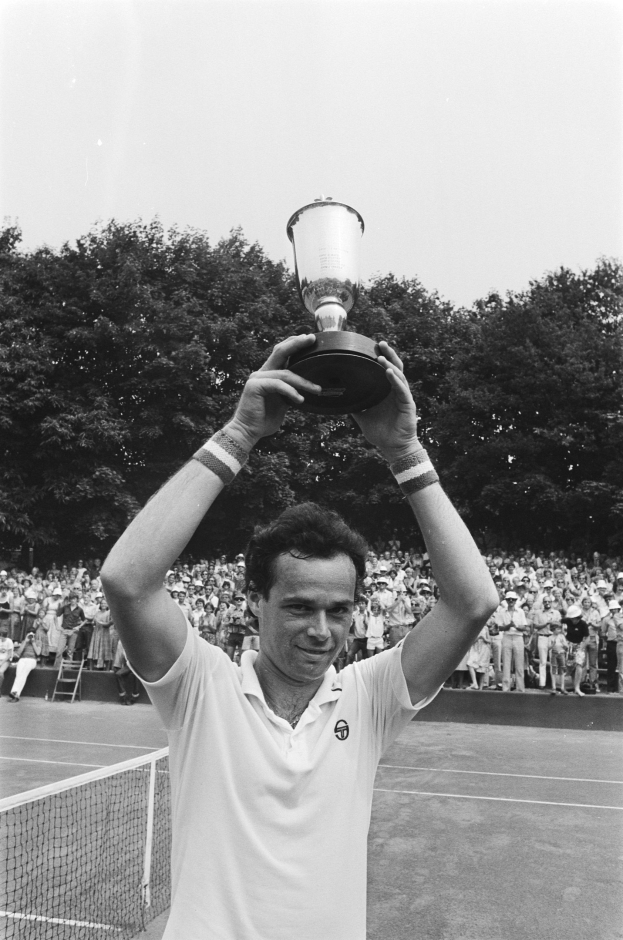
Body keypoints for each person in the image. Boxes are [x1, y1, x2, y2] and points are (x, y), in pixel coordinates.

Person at [100, 335, 498, 940]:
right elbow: (127, 581)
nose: (321, 631)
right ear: (254, 600)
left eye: (339, 611)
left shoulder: (370, 697)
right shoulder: (201, 685)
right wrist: (239, 434)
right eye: (298, 607)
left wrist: (406, 452)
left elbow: (473, 602)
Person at [8, 631, 41, 701]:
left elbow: (38, 653)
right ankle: (14, 693)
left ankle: (15, 693)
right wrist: (25, 642)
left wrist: (33, 642)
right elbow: (18, 653)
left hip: (32, 660)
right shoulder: (24, 641)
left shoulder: (38, 642)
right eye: (29, 634)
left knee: (23, 674)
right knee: (19, 674)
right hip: (22, 659)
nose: (31, 636)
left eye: (32, 634)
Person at [0, 623, 14, 696]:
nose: (2, 638)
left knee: (0, 672)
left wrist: (2, 663)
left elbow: (9, 655)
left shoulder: (9, 641)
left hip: (5, 660)